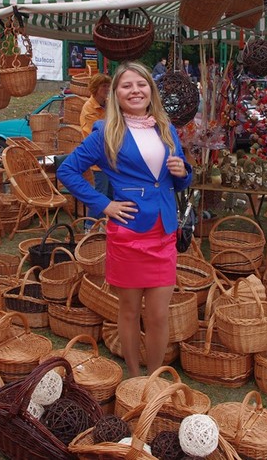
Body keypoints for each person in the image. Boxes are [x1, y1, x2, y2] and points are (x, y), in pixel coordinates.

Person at [57, 61, 193, 377]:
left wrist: (184, 172)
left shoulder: (166, 128)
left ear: (151, 90)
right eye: (126, 85)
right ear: (115, 94)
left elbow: (177, 180)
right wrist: (104, 204)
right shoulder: (105, 132)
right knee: (130, 312)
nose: (135, 90)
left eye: (141, 84)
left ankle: (153, 378)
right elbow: (67, 170)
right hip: (129, 233)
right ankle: (134, 377)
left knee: (158, 315)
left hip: (163, 232)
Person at [79, 73, 113, 225]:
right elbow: (94, 136)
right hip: (99, 159)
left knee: (112, 194)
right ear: (95, 88)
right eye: (103, 86)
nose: (107, 89)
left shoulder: (109, 104)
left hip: (112, 158)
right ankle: (90, 226)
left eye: (108, 86)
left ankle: (106, 226)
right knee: (100, 194)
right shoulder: (89, 108)